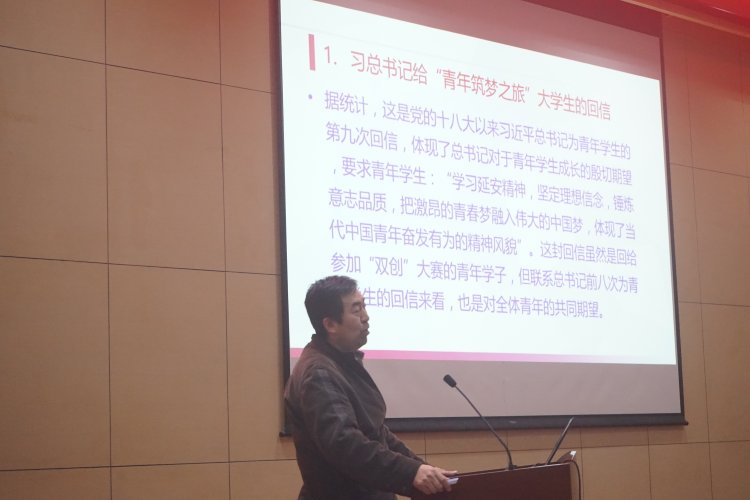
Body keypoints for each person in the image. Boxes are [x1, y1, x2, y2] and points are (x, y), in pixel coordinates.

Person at [284, 275, 456, 499]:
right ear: (330, 324)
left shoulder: (341, 362)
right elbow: (345, 444)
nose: (366, 317)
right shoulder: (319, 372)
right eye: (356, 310)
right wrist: (410, 472)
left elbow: (376, 433)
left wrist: (422, 469)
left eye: (364, 306)